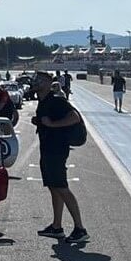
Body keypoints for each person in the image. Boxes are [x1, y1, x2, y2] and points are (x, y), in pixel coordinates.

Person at [31, 71, 86, 244]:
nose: (36, 82)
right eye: (35, 79)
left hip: (56, 150)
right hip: (48, 149)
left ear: (48, 83)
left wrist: (53, 124)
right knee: (54, 187)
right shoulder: (44, 102)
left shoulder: (56, 100)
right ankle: (57, 227)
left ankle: (80, 229)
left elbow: (74, 117)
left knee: (61, 187)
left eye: (40, 80)